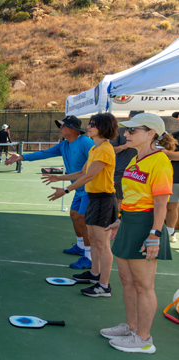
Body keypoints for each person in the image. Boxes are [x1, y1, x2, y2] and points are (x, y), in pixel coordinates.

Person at [102, 113, 174, 354]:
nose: (126, 134)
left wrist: (154, 234)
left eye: (133, 130)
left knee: (143, 285)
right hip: (129, 223)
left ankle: (144, 340)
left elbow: (161, 203)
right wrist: (120, 221)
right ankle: (131, 327)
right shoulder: (135, 159)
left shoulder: (160, 161)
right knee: (127, 281)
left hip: (146, 225)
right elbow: (132, 196)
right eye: (127, 130)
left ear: (151, 133)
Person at [5, 116, 94, 269]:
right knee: (74, 215)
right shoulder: (64, 145)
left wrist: (63, 183)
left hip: (89, 189)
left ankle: (89, 256)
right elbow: (45, 153)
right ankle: (80, 247)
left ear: (72, 129)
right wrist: (22, 157)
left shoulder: (86, 143)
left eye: (62, 126)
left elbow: (91, 170)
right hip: (78, 189)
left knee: (82, 219)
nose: (60, 129)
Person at [45, 113, 118, 298]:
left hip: (104, 200)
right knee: (93, 239)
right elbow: (81, 172)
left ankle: (104, 285)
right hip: (94, 198)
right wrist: (60, 177)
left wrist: (66, 190)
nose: (90, 126)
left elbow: (89, 176)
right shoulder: (95, 148)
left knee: (103, 244)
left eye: (93, 124)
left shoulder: (104, 150)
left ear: (103, 127)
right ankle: (94, 275)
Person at [110, 111, 141, 211]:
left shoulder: (145, 131)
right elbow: (111, 149)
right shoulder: (121, 130)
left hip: (140, 172)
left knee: (137, 200)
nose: (128, 134)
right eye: (134, 117)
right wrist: (125, 146)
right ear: (129, 117)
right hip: (121, 171)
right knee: (119, 199)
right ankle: (116, 222)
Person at [162, 111, 179, 243]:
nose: (178, 119)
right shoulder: (173, 136)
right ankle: (169, 233)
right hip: (174, 177)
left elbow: (173, 155)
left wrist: (164, 152)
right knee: (171, 206)